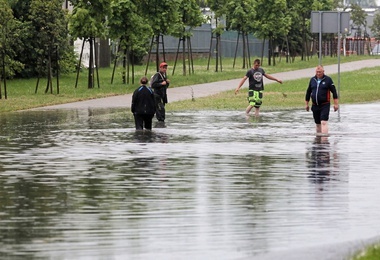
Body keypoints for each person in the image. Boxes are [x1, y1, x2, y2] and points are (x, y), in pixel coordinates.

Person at [305, 65, 339, 136]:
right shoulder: (312, 80)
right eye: (317, 72)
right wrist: (306, 104)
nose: (318, 73)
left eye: (320, 72)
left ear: (323, 72)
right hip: (315, 105)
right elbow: (308, 92)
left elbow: (334, 91)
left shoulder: (328, 80)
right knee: (317, 124)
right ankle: (318, 140)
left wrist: (336, 104)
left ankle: (324, 140)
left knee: (323, 122)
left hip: (325, 104)